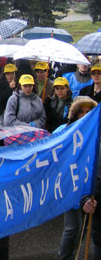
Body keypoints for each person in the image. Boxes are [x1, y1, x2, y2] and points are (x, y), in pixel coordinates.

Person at [57, 96, 98, 260]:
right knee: (73, 226)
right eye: (81, 111)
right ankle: (65, 256)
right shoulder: (64, 131)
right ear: (74, 113)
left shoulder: (96, 132)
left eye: (89, 111)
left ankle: (74, 253)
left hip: (89, 185)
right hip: (70, 184)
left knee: (83, 227)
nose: (85, 114)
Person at [0, 63, 18, 128]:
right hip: (3, 113)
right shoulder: (0, 84)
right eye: (8, 74)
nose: (10, 76)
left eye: (12, 73)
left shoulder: (19, 84)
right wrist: (9, 89)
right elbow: (1, 99)